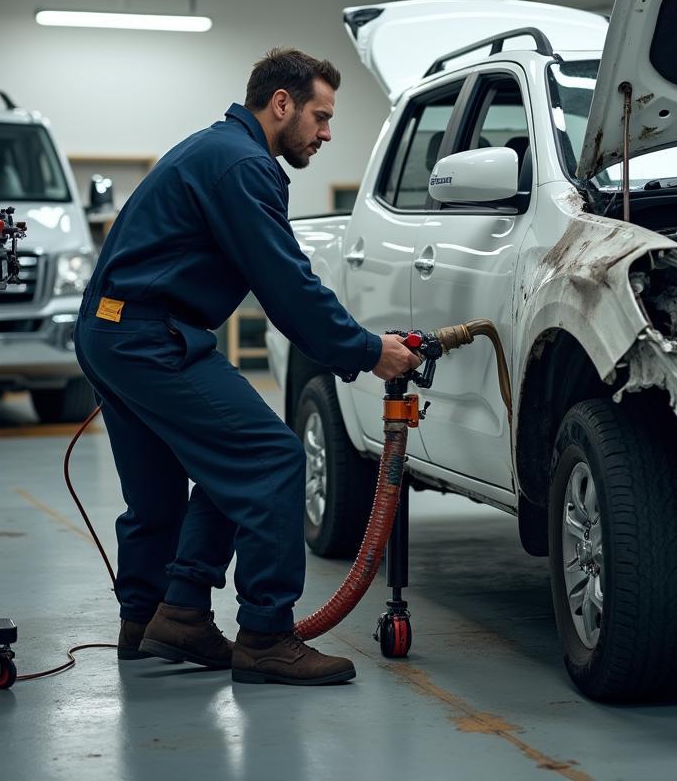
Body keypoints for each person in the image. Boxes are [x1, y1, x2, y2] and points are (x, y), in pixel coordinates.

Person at [73, 47, 420, 686]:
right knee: (269, 458)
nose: (326, 132)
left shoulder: (214, 150)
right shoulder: (243, 165)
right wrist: (368, 351)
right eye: (319, 116)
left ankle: (154, 619)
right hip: (149, 335)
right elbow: (285, 283)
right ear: (280, 103)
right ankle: (265, 636)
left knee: (160, 492)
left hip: (111, 329)